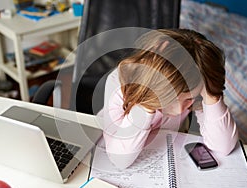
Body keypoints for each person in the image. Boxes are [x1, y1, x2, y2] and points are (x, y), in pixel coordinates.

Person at [98, 29, 238, 169]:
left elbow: (223, 147)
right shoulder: (118, 83)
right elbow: (119, 160)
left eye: (189, 99)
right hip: (109, 148)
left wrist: (211, 95)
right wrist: (147, 103)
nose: (180, 110)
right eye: (171, 99)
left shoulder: (194, 84)